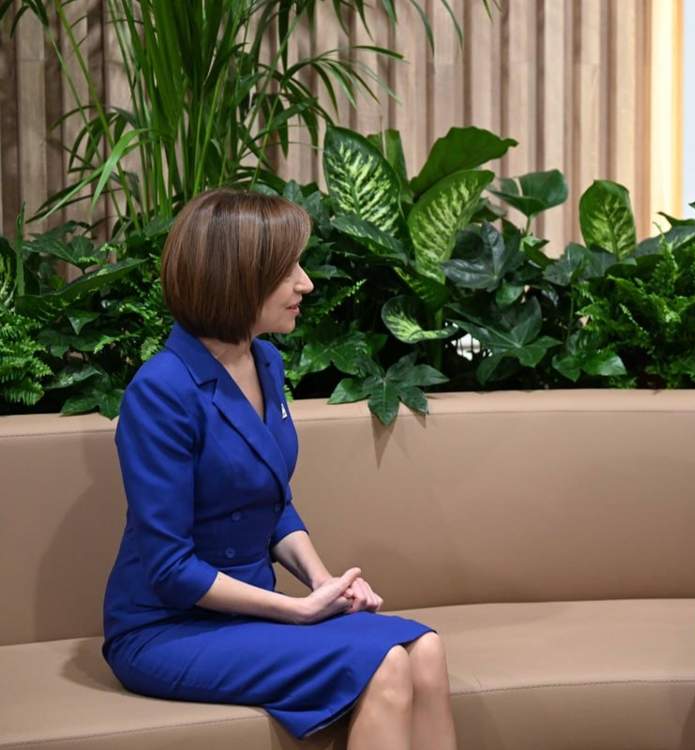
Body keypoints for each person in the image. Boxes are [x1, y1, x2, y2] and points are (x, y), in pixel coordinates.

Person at [102, 189, 457, 749]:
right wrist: (295, 611)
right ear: (237, 278)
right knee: (386, 662)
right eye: (288, 269)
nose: (305, 283)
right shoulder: (160, 391)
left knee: (426, 649)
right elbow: (170, 568)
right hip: (168, 627)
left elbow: (272, 501)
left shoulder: (264, 360)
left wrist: (323, 584)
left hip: (251, 613)